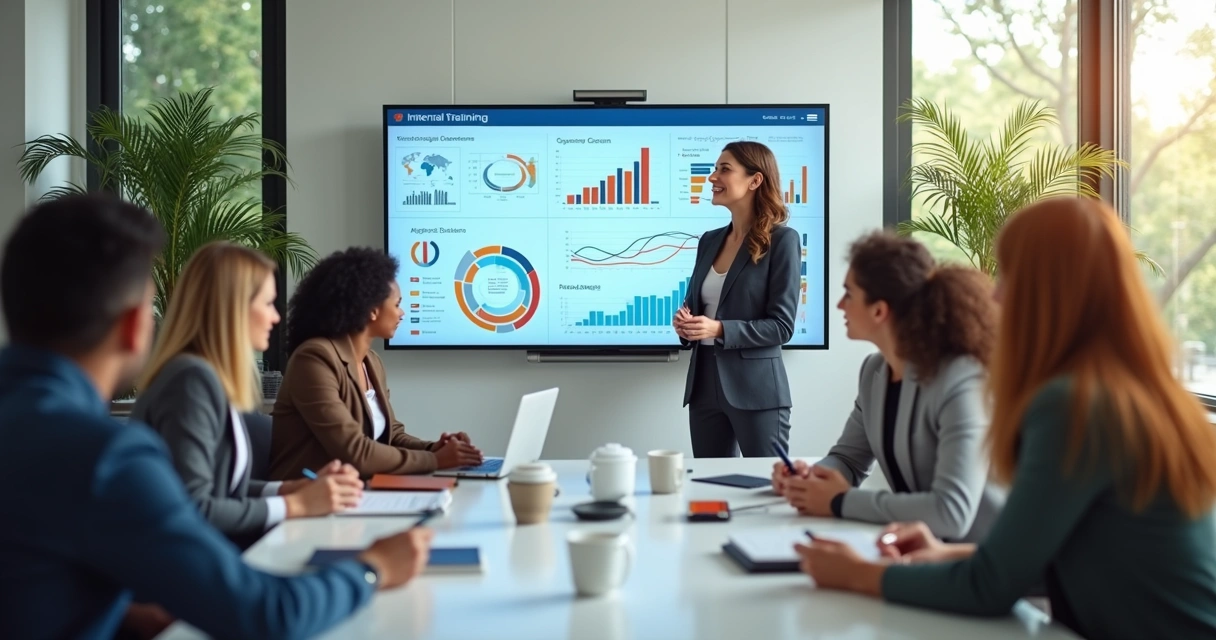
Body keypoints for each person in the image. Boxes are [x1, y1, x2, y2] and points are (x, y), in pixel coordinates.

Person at [0, 194, 433, 640]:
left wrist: (121, 606)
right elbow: (267, 615)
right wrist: (373, 568)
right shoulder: (105, 457)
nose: (277, 315)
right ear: (133, 326)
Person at [796, 197, 1216, 639]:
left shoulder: (1075, 405)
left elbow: (989, 588)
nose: (995, 293)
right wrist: (946, 554)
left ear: (1047, 290)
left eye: (1009, 275)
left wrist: (856, 573)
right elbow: (1064, 558)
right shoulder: (1132, 391)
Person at [770, 232, 1004, 541]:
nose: (840, 305)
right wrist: (811, 478)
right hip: (921, 552)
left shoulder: (961, 380)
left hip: (985, 563)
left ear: (879, 310)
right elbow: (849, 459)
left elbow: (951, 513)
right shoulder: (875, 371)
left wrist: (839, 500)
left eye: (848, 294)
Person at [131, 242, 364, 549]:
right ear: (234, 307)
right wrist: (298, 506)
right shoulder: (190, 381)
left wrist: (290, 490)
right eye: (268, 303)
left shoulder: (204, 376)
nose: (276, 317)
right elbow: (195, 507)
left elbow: (221, 490)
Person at [269, 247, 483, 479]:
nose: (402, 313)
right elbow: (355, 451)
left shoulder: (372, 362)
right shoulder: (313, 359)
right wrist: (436, 461)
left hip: (359, 492)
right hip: (309, 496)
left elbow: (391, 436)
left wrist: (434, 449)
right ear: (372, 310)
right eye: (397, 303)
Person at [673, 141, 801, 457]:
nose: (713, 177)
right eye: (715, 169)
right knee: (711, 488)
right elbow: (698, 305)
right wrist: (686, 325)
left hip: (757, 390)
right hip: (704, 388)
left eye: (724, 169)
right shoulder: (709, 241)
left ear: (755, 180)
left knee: (767, 487)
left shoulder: (783, 240)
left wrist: (718, 330)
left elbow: (781, 327)